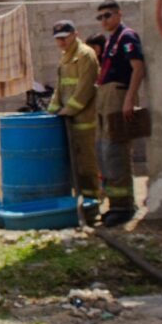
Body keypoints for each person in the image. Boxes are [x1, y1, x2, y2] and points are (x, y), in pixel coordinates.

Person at [94, 0, 145, 227]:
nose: (104, 20)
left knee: (116, 150)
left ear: (119, 14)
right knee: (104, 151)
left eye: (108, 15)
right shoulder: (111, 41)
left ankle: (124, 206)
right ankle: (115, 203)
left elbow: (138, 68)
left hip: (118, 95)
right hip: (105, 97)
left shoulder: (127, 37)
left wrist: (129, 99)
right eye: (100, 17)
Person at [47, 20, 100, 200]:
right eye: (58, 38)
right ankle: (81, 199)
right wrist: (51, 111)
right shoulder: (65, 57)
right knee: (75, 164)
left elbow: (86, 87)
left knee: (87, 162)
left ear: (75, 35)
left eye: (65, 37)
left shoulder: (85, 54)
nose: (61, 42)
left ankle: (92, 202)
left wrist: (69, 110)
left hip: (85, 120)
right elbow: (60, 87)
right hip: (69, 119)